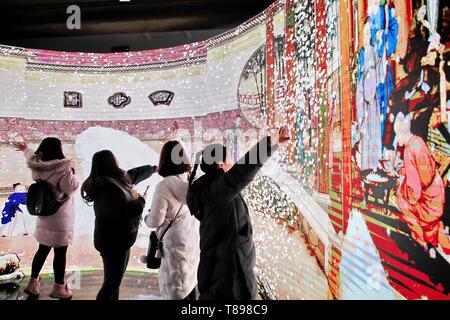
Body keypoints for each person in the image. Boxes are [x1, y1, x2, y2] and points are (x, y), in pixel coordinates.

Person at [186, 126, 289, 300]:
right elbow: (243, 171)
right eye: (230, 159)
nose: (233, 163)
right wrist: (269, 144)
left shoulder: (212, 190)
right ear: (220, 164)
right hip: (228, 279)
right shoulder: (218, 191)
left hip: (224, 272)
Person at [81, 150, 156, 300]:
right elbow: (123, 213)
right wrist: (141, 200)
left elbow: (134, 174)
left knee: (114, 280)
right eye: (115, 159)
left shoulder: (114, 181)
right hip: (114, 241)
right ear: (110, 164)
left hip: (117, 240)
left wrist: (153, 169)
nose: (118, 161)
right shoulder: (107, 188)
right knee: (112, 283)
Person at [13, 138, 79, 299]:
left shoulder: (38, 166)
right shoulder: (63, 169)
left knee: (42, 249)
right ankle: (59, 288)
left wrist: (26, 149)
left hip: (44, 213)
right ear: (59, 149)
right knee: (60, 252)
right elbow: (72, 187)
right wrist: (72, 172)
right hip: (60, 216)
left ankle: (33, 283)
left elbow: (31, 157)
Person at [144, 141, 200, 300]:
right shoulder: (192, 181)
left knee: (176, 292)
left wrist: (146, 217)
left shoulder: (163, 186)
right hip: (191, 246)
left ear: (164, 161)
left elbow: (154, 221)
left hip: (173, 251)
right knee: (190, 288)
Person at [394, 113, 450, 258]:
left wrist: (401, 186)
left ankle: (422, 242)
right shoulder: (418, 141)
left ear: (402, 133)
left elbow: (415, 192)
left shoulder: (408, 151)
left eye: (397, 135)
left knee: (402, 201)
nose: (397, 140)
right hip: (437, 195)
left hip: (428, 202)